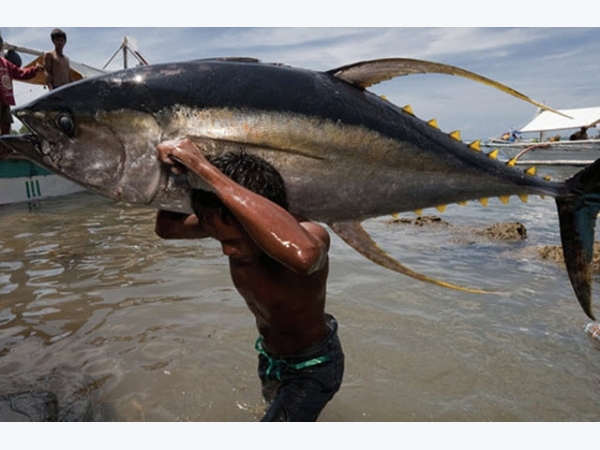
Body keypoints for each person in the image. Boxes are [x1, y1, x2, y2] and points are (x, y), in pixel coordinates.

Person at [154, 138, 344, 421]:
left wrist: (204, 168)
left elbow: (304, 256)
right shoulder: (228, 224)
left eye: (233, 241)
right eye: (219, 239)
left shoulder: (307, 233)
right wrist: (181, 173)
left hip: (313, 365)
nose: (227, 250)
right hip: (270, 357)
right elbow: (167, 228)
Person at [0, 36, 44, 155]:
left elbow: (20, 73)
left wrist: (34, 70)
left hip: (5, 100)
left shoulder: (6, 63)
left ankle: (6, 150)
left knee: (6, 124)